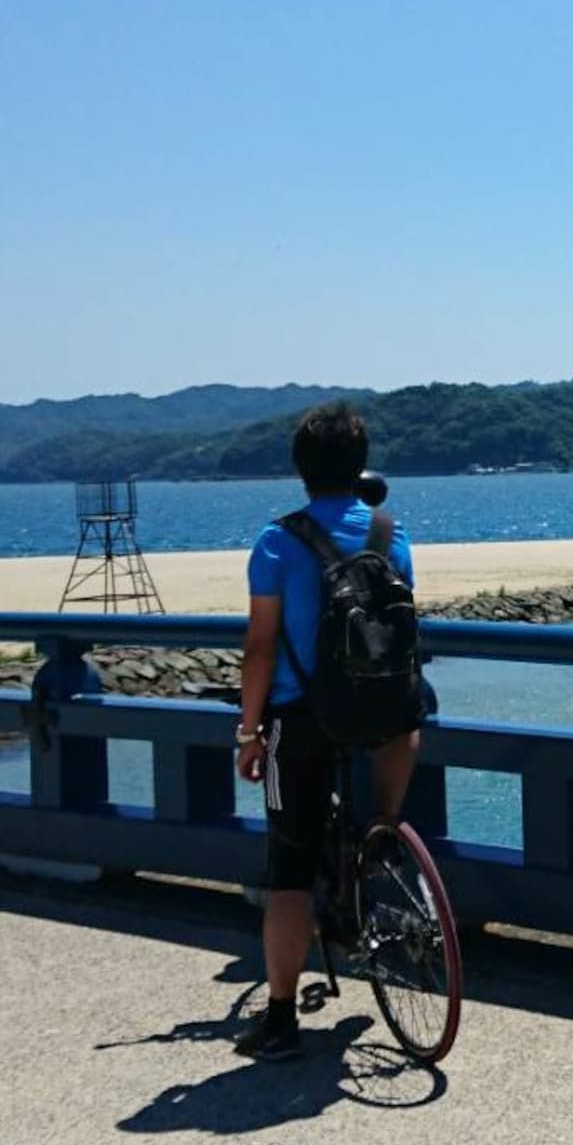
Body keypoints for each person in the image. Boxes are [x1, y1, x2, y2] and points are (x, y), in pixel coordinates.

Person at [233, 403, 421, 1059]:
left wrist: (249, 732)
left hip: (302, 717)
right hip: (383, 713)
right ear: (358, 463)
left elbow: (260, 647)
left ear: (300, 468)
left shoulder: (277, 542)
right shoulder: (390, 535)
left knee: (289, 869)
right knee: (408, 713)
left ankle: (280, 1018)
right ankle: (386, 831)